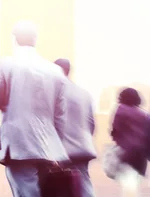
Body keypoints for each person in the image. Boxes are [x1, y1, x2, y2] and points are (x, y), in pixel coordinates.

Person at [0, 21, 68, 197]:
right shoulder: (55, 71)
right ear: (35, 39)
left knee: (26, 192)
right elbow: (60, 117)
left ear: (14, 39)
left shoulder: (4, 65)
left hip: (18, 143)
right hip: (48, 146)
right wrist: (58, 147)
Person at [54, 58, 97, 197]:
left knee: (58, 186)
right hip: (83, 146)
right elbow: (91, 123)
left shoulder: (53, 92)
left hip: (61, 148)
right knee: (84, 184)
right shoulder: (84, 93)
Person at [110, 87, 150, 197]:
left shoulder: (121, 109)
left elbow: (115, 130)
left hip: (126, 151)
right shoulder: (144, 114)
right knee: (134, 182)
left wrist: (117, 139)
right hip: (141, 154)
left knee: (127, 182)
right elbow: (149, 134)